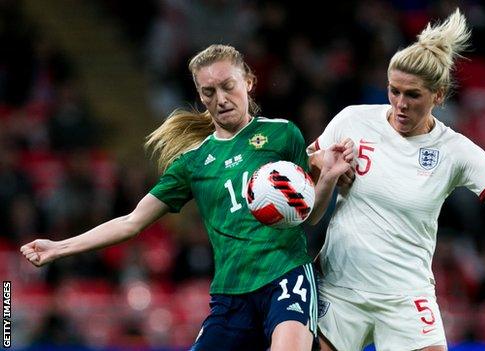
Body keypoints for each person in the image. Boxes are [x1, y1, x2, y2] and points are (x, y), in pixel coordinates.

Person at [20, 44, 352, 351]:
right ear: (200, 96)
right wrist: (59, 247)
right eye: (209, 92)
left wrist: (328, 179)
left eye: (228, 86)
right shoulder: (193, 163)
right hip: (230, 295)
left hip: (286, 276)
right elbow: (132, 221)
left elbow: (307, 214)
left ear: (249, 82)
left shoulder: (282, 134)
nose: (220, 99)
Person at [307, 9, 485, 351]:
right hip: (340, 288)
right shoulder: (352, 120)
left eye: (413, 95)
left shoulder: (455, 151)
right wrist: (326, 166)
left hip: (405, 297)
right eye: (393, 91)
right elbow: (306, 178)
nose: (400, 104)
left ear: (438, 95)